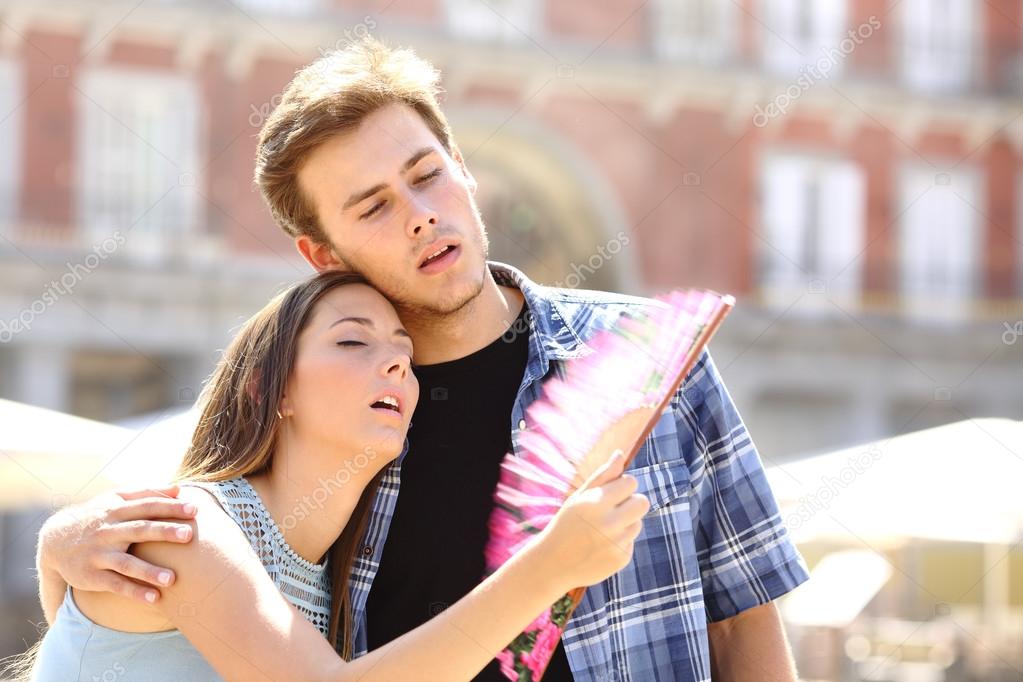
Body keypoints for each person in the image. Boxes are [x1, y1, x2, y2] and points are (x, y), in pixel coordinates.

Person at [35, 38, 810, 680]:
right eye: (373, 206)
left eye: (426, 174)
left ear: (463, 166)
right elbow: (190, 564)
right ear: (320, 253)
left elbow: (746, 622)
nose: (421, 216)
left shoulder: (650, 361)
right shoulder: (339, 426)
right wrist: (65, 545)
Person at [20, 270, 648, 681]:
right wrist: (550, 568)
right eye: (355, 343)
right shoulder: (184, 530)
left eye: (405, 353)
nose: (398, 365)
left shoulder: (340, 587)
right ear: (272, 388)